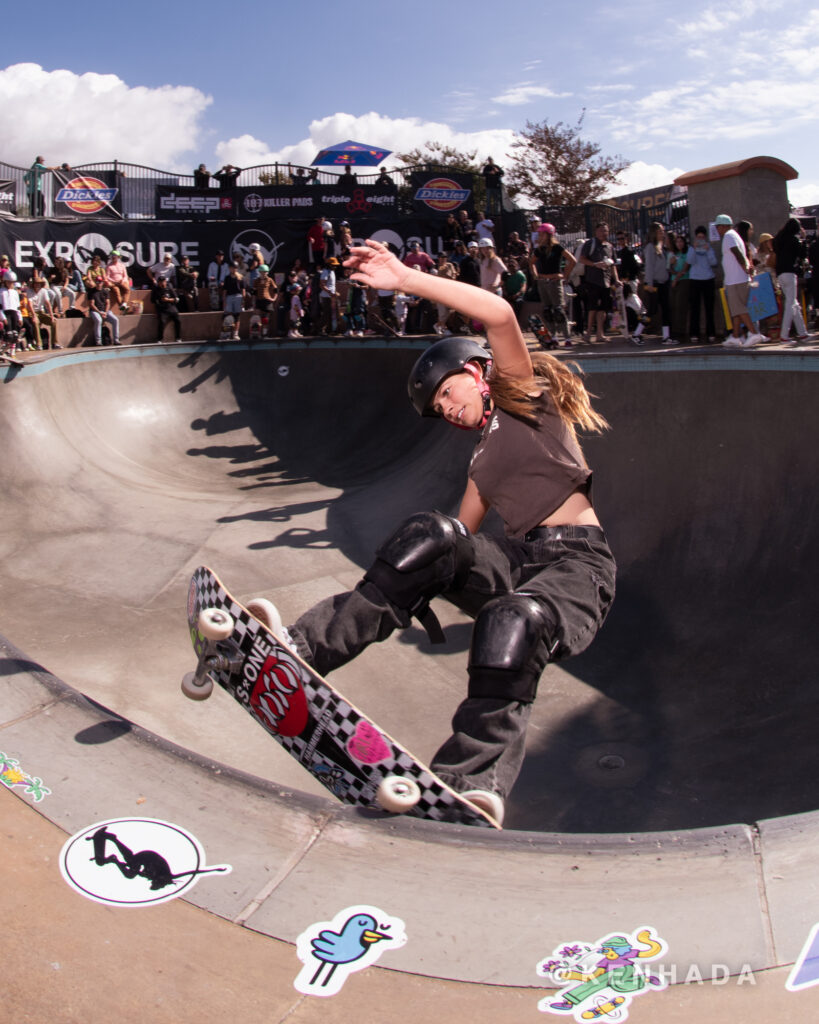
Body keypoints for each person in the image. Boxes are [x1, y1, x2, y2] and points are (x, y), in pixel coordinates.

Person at [267, 239, 615, 825]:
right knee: (431, 534)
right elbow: (456, 541)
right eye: (438, 408)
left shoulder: (523, 397)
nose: (447, 409)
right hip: (516, 561)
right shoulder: (481, 463)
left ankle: (471, 782)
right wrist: (416, 567)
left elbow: (500, 316)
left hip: (578, 569)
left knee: (514, 621)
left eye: (448, 393)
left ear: (477, 372)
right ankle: (306, 649)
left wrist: (404, 278)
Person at [715, 213, 763, 348]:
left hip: (736, 279)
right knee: (736, 309)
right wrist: (747, 270)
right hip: (737, 278)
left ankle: (754, 333)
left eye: (718, 226)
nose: (717, 230)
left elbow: (738, 254)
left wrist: (746, 269)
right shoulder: (734, 235)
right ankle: (736, 336)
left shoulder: (729, 236)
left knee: (739, 309)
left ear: (724, 226)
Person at [529, 224, 576, 345]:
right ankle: (553, 336)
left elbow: (572, 260)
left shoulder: (557, 248)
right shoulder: (539, 249)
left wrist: (564, 275)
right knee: (547, 310)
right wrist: (535, 275)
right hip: (543, 281)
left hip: (554, 281)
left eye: (541, 234)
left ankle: (567, 337)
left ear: (548, 235)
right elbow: (532, 262)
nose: (539, 236)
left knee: (558, 310)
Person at [579, 223, 621, 344]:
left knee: (603, 309)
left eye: (606, 231)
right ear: (596, 231)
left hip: (606, 282)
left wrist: (616, 279)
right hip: (592, 281)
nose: (604, 233)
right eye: (602, 231)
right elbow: (582, 259)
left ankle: (600, 334)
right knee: (592, 307)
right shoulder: (590, 244)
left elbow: (613, 265)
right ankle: (588, 333)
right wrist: (594, 264)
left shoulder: (609, 246)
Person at [772, 217, 810, 346]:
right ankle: (784, 335)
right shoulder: (794, 239)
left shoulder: (779, 239)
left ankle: (802, 333)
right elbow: (803, 254)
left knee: (793, 303)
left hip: (780, 274)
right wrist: (804, 239)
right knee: (790, 304)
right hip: (790, 273)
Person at [682, 226, 718, 343]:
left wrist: (707, 251)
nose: (701, 239)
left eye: (702, 237)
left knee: (709, 308)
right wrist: (694, 248)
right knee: (695, 308)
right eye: (699, 237)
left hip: (708, 280)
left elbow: (714, 262)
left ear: (705, 238)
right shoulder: (692, 248)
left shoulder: (709, 248)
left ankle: (711, 333)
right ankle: (694, 333)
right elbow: (690, 261)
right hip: (695, 280)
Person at [88, 280, 120, 346]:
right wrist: (100, 313)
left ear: (102, 283)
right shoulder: (91, 292)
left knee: (115, 320)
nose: (98, 283)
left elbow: (108, 303)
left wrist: (105, 312)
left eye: (100, 282)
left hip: (105, 311)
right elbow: (92, 304)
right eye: (97, 282)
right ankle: (98, 341)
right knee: (99, 320)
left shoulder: (105, 291)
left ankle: (116, 340)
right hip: (95, 311)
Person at [151, 278, 182, 342]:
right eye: (160, 282)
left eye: (163, 282)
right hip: (162, 309)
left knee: (178, 320)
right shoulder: (155, 290)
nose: (162, 284)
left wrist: (168, 300)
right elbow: (152, 300)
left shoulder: (169, 288)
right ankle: (160, 339)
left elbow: (177, 299)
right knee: (161, 322)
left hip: (171, 307)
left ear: (165, 282)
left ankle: (178, 337)